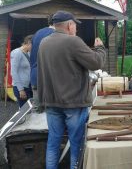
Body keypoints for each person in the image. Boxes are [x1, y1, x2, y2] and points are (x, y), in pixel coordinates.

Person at [37, 10, 107, 169]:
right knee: (76, 143)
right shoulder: (72, 41)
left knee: (53, 143)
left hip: (52, 102)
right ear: (69, 25)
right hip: (73, 103)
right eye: (75, 25)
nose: (76, 29)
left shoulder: (44, 42)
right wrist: (100, 48)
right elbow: (96, 63)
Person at [30, 14, 55, 113]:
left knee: (36, 111)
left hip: (35, 75)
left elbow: (32, 52)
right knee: (52, 112)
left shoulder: (38, 33)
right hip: (48, 78)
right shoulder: (55, 34)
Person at [11, 34, 33, 108]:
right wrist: (21, 89)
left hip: (28, 86)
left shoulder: (28, 53)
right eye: (33, 45)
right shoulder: (16, 53)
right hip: (21, 87)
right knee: (24, 111)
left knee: (29, 109)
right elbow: (14, 72)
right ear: (28, 43)